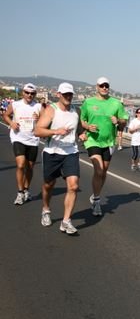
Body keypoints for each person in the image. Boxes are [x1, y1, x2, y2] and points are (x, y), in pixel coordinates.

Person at [34, 83, 84, 234]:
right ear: (59, 94)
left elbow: (80, 130)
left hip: (71, 152)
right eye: (66, 94)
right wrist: (56, 131)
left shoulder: (76, 111)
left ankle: (66, 221)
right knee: (49, 185)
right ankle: (46, 209)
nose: (69, 97)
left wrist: (82, 135)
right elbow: (37, 131)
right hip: (52, 152)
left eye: (71, 94)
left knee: (73, 185)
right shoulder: (51, 110)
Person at [80, 77, 128, 216]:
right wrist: (88, 126)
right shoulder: (88, 102)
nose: (104, 88)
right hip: (92, 140)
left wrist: (118, 121)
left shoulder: (116, 103)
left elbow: (124, 122)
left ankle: (96, 194)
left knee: (104, 171)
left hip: (108, 142)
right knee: (99, 170)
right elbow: (82, 121)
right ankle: (96, 201)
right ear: (97, 87)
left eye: (106, 86)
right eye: (102, 86)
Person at [2, 83, 42, 205]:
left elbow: (46, 121)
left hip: (33, 139)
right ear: (23, 93)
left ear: (35, 94)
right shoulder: (15, 104)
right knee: (20, 165)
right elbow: (5, 115)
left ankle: (26, 190)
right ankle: (20, 192)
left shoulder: (39, 106)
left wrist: (39, 119)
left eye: (32, 93)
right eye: (27, 93)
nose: (29, 95)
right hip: (18, 137)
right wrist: (11, 123)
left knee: (29, 167)